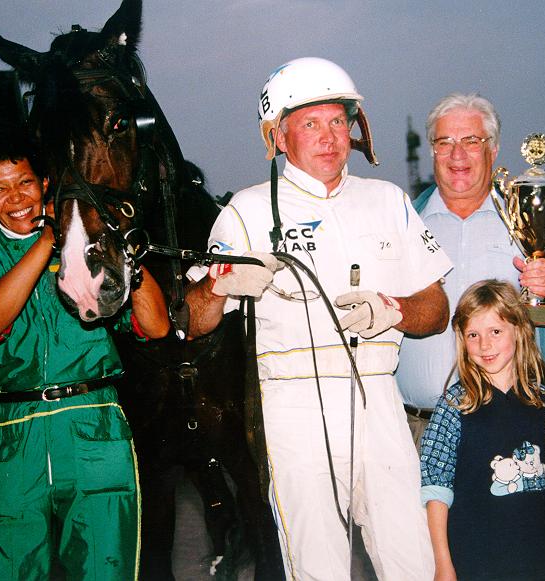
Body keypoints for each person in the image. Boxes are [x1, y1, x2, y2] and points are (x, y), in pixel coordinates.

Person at [185, 57, 452, 580]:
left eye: (338, 122)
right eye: (310, 124)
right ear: (279, 137)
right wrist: (219, 285)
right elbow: (192, 322)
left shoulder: (389, 201)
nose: (329, 137)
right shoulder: (247, 211)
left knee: (414, 562)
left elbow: (437, 308)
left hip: (378, 397)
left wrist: (392, 310)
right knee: (318, 566)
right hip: (293, 404)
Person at [0, 123, 170, 580]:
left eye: (26, 183)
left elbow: (156, 327)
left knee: (104, 569)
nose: (17, 198)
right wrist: (50, 238)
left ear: (45, 182)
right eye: (0, 189)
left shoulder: (89, 254)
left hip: (94, 427)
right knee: (9, 571)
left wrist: (125, 253)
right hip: (14, 440)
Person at [397, 93, 545, 449]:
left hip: (516, 430)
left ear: (494, 149)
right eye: (445, 142)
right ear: (432, 150)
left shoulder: (534, 222)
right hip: (419, 433)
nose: (457, 155)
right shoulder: (402, 223)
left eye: (471, 141)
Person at [420, 279, 545, 581]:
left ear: (520, 331)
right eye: (473, 334)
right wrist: (443, 564)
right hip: (474, 564)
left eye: (495, 331)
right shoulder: (454, 406)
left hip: (539, 562)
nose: (485, 345)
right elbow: (436, 491)